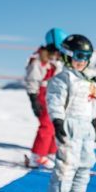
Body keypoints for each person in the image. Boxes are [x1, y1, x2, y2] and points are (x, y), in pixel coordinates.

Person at [36, 34, 96, 192]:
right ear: (67, 55)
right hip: (69, 126)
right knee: (67, 164)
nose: (83, 61)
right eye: (79, 56)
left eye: (87, 57)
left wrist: (95, 123)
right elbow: (55, 102)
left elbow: (92, 105)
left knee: (86, 162)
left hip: (86, 127)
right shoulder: (62, 79)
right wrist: (58, 122)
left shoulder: (91, 81)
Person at [24, 28, 66, 169]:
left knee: (56, 123)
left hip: (54, 94)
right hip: (42, 94)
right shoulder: (38, 60)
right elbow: (32, 80)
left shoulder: (56, 60)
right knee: (46, 125)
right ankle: (37, 156)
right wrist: (33, 99)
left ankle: (51, 153)